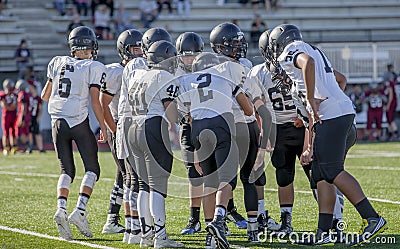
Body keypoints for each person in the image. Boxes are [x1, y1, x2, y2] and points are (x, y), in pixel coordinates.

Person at [269, 24, 387, 246]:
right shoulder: (313, 54)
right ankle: (324, 231)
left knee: (332, 171)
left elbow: (307, 63)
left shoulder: (292, 52)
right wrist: (310, 144)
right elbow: (339, 79)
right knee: (320, 174)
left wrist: (314, 102)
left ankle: (372, 218)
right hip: (338, 115)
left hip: (333, 117)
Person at [176, 51, 254, 248]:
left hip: (198, 130)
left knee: (209, 182)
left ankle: (210, 236)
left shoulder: (190, 80)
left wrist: (195, 151)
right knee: (226, 178)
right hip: (220, 125)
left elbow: (188, 115)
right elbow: (248, 110)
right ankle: (219, 219)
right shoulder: (225, 73)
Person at [41, 26, 108, 241]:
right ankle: (79, 210)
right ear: (91, 46)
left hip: (57, 122)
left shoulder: (57, 61)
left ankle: (61, 208)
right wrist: (103, 127)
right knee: (92, 168)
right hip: (78, 122)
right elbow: (96, 102)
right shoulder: (93, 66)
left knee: (66, 169)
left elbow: (45, 95)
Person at [127, 40, 184, 248]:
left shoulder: (140, 75)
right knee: (157, 185)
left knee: (143, 185)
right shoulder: (164, 76)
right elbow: (171, 113)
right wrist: (184, 118)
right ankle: (160, 237)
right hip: (153, 127)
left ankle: (146, 235)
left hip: (133, 128)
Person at [210, 22, 261, 239]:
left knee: (224, 178)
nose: (239, 46)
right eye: (233, 43)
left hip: (224, 125)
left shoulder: (211, 68)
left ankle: (219, 220)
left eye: (239, 42)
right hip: (245, 123)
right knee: (248, 178)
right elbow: (255, 100)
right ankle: (253, 230)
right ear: (221, 46)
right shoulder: (245, 66)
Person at [100, 29, 144, 245]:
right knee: (128, 176)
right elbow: (103, 103)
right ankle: (125, 221)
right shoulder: (117, 72)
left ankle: (112, 218)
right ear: (124, 51)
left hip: (129, 126)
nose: (140, 53)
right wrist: (111, 128)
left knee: (123, 175)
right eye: (135, 49)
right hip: (119, 125)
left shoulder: (139, 69)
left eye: (141, 49)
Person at [174, 32, 205, 235]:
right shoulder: (174, 74)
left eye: (193, 55)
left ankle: (222, 213)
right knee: (194, 175)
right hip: (187, 125)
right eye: (186, 55)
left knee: (215, 171)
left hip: (207, 124)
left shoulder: (209, 71)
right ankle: (194, 218)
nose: (190, 59)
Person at [0, 79, 18, 156]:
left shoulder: (15, 95)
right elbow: (4, 105)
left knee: (13, 133)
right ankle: (6, 148)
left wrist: (11, 107)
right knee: (6, 133)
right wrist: (11, 108)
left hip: (13, 116)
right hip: (6, 116)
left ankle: (13, 147)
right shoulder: (3, 95)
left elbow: (16, 104)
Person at [26, 81, 45, 153]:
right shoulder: (28, 96)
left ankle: (41, 148)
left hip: (35, 117)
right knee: (29, 132)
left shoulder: (38, 98)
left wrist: (38, 118)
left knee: (37, 132)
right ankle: (30, 147)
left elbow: (40, 109)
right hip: (29, 117)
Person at [15, 79, 32, 153]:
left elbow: (23, 107)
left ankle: (28, 146)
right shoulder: (28, 94)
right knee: (25, 132)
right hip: (27, 115)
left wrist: (22, 118)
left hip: (23, 115)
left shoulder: (22, 94)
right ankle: (28, 147)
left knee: (19, 131)